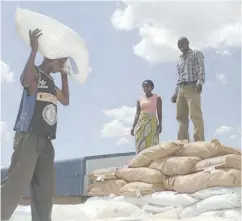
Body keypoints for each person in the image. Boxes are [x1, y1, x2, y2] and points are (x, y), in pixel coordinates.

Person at [1, 28, 70, 221]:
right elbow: (24, 79)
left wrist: (64, 74)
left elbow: (64, 100)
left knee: (44, 191)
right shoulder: (36, 75)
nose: (62, 63)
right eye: (60, 60)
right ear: (50, 58)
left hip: (46, 141)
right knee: (16, 183)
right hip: (28, 136)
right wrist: (34, 50)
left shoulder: (51, 82)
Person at [171, 37, 205, 142]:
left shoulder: (196, 54)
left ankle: (199, 141)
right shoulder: (180, 60)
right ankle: (182, 142)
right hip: (181, 88)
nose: (181, 47)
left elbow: (201, 68)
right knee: (180, 117)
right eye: (179, 45)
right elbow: (180, 77)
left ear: (187, 43)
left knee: (195, 115)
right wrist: (175, 92)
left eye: (182, 44)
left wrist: (200, 82)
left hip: (192, 87)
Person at [131, 80, 162, 153]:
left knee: (152, 143)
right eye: (144, 87)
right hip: (141, 123)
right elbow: (137, 114)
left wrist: (160, 125)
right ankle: (140, 160)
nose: (145, 88)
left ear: (152, 87)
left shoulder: (157, 98)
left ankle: (152, 161)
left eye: (147, 86)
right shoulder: (140, 99)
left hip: (152, 122)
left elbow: (159, 113)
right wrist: (133, 127)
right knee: (139, 141)